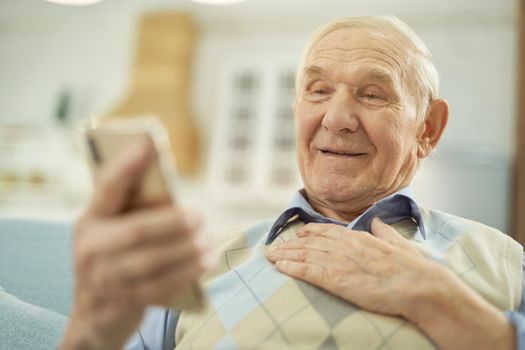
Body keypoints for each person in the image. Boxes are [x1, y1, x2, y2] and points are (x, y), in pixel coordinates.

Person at [60, 15, 525, 349]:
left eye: (372, 94)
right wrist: (91, 327)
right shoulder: (194, 264)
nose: (337, 118)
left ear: (427, 129)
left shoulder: (504, 260)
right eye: (318, 90)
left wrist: (438, 303)